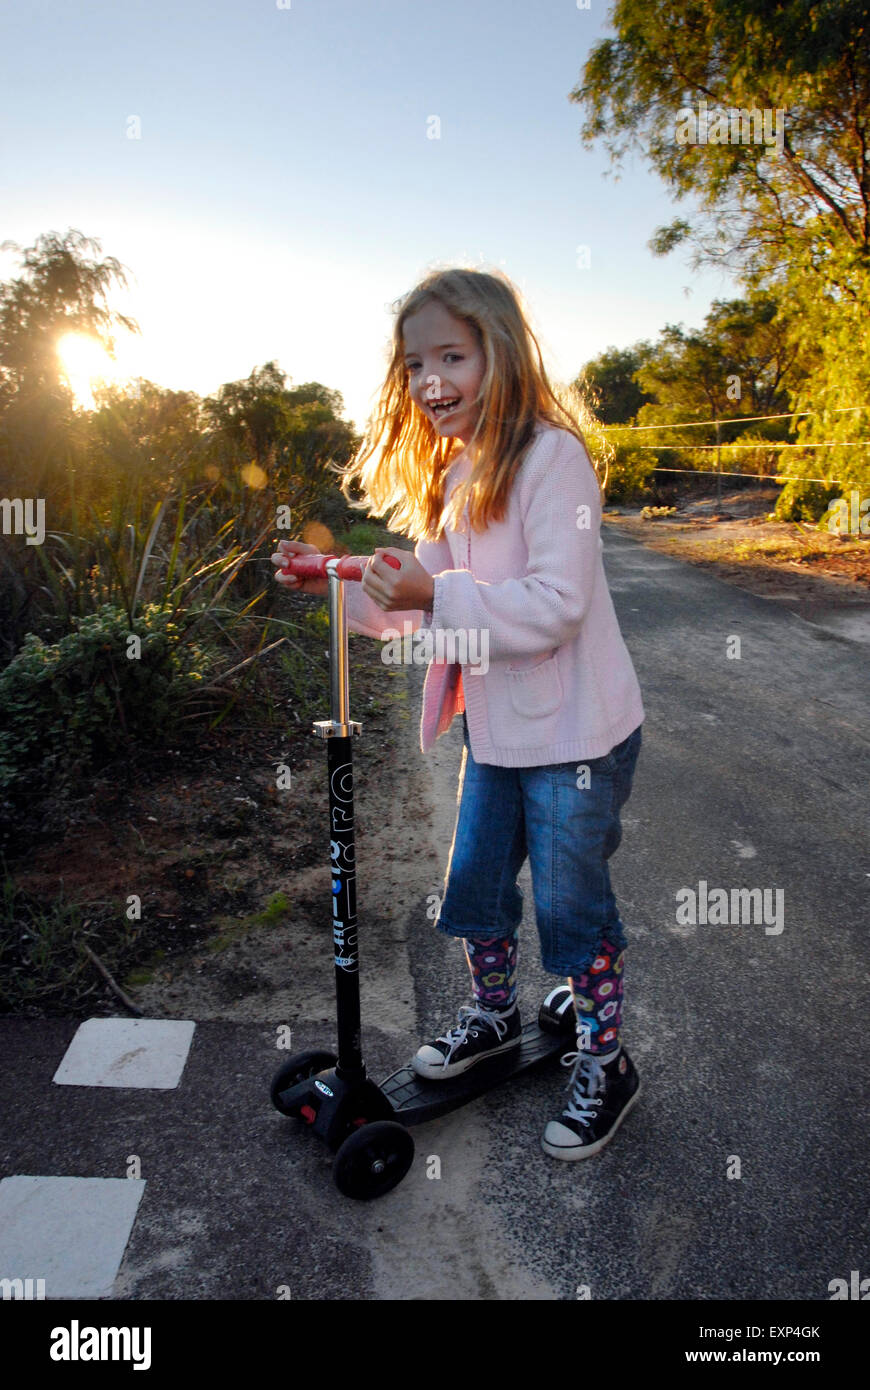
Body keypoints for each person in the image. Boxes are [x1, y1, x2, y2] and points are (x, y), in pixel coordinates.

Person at [272, 266, 644, 1161]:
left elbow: (557, 602)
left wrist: (438, 590)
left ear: (499, 354)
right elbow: (425, 589)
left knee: (570, 905)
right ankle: (490, 1015)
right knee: (475, 885)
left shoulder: (554, 458)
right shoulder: (458, 469)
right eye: (415, 363)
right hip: (503, 732)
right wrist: (340, 576)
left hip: (580, 736)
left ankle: (605, 1058)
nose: (431, 379)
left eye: (452, 355)